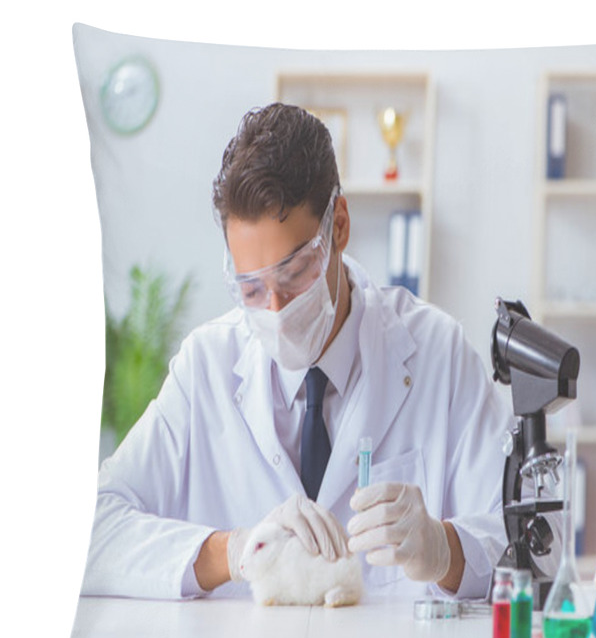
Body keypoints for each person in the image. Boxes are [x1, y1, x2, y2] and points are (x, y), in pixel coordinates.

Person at [81, 102, 560, 602]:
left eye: (294, 275)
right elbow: (91, 532)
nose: (275, 309)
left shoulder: (439, 353)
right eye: (250, 289)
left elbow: (537, 547)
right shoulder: (206, 367)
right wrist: (234, 552)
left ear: (339, 227)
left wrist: (445, 550)